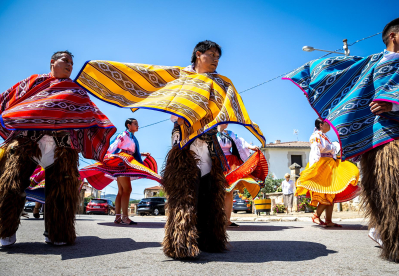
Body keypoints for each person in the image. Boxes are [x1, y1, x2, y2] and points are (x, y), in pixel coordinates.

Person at [74, 40, 265, 259]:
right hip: (184, 146)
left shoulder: (221, 83)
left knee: (210, 193)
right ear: (198, 54)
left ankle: (210, 239)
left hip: (210, 146)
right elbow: (150, 79)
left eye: (218, 57)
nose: (215, 60)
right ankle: (181, 243)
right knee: (184, 196)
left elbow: (228, 109)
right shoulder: (180, 77)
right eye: (211, 54)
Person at [283, 16, 399, 263]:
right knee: (390, 191)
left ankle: (380, 232)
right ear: (393, 36)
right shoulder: (371, 64)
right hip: (381, 139)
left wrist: (395, 106)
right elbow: (344, 83)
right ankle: (398, 243)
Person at [0, 50, 116, 247]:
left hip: (63, 147)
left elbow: (89, 113)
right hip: (28, 143)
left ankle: (57, 233)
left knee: (61, 191)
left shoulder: (76, 90)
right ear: (53, 62)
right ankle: (5, 230)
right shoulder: (34, 82)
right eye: (66, 61)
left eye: (72, 62)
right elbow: (8, 100)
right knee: (12, 185)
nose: (70, 65)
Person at [79, 118, 161, 225]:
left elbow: (129, 150)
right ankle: (125, 217)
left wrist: (141, 154)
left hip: (126, 161)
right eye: (135, 124)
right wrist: (111, 157)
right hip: (122, 163)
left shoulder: (131, 137)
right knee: (127, 189)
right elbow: (113, 147)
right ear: (128, 125)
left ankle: (118, 217)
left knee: (121, 191)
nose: (138, 125)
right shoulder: (123, 135)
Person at [295, 119, 359, 227]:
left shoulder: (325, 137)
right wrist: (313, 167)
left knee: (331, 193)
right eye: (327, 123)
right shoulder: (316, 136)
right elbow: (315, 151)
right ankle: (316, 215)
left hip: (330, 165)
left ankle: (328, 220)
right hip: (323, 166)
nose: (329, 125)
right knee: (326, 193)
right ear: (321, 125)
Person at [217, 123, 268, 227]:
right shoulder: (211, 133)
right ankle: (216, 220)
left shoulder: (229, 133)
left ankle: (227, 220)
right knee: (217, 192)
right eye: (225, 120)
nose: (227, 122)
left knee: (229, 192)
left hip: (231, 164)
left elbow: (241, 143)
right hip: (216, 163)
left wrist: (252, 147)